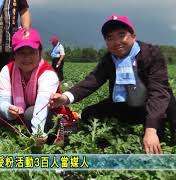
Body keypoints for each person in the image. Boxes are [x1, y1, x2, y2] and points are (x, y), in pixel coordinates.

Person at [49, 14, 176, 154]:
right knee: (88, 114)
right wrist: (65, 98)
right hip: (123, 104)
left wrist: (151, 130)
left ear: (133, 35)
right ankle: (117, 134)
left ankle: (163, 129)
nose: (116, 42)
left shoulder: (151, 54)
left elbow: (158, 93)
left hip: (151, 107)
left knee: (167, 104)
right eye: (110, 38)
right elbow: (92, 81)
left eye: (121, 35)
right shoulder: (110, 59)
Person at [0, 28, 68, 145]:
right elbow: (3, 101)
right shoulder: (7, 71)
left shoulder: (48, 74)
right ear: (14, 54)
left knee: (29, 113)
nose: (27, 58)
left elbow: (41, 108)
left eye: (31, 52)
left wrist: (37, 134)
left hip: (50, 118)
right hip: (21, 117)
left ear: (39, 52)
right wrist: (7, 110)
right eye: (21, 52)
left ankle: (54, 138)